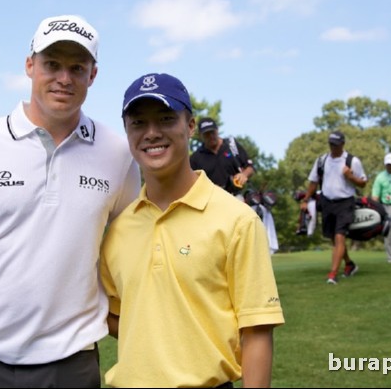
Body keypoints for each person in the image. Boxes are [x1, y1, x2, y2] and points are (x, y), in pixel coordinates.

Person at [0, 15, 141, 388]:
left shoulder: (118, 153)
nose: (64, 78)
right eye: (52, 64)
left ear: (92, 75)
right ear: (30, 65)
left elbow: (131, 253)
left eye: (77, 68)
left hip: (71, 365)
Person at [100, 73, 284, 388]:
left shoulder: (237, 220)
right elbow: (115, 316)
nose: (152, 133)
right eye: (138, 123)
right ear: (127, 131)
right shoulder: (119, 228)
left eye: (166, 119)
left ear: (190, 126)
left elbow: (256, 332)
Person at [299, 131, 367, 284]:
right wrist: (306, 199)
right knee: (333, 239)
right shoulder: (322, 160)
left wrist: (351, 177)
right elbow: (313, 182)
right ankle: (349, 264)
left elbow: (363, 182)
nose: (333, 147)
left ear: (342, 144)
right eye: (331, 144)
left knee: (339, 236)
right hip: (327, 202)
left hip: (345, 202)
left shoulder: (352, 161)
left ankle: (333, 274)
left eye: (336, 145)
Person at [190, 117, 255, 197]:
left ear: (217, 130)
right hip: (211, 199)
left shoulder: (231, 146)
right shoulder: (195, 158)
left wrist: (244, 174)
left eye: (212, 132)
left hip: (235, 196)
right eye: (207, 134)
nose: (211, 136)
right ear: (200, 135)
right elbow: (191, 183)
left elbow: (250, 167)